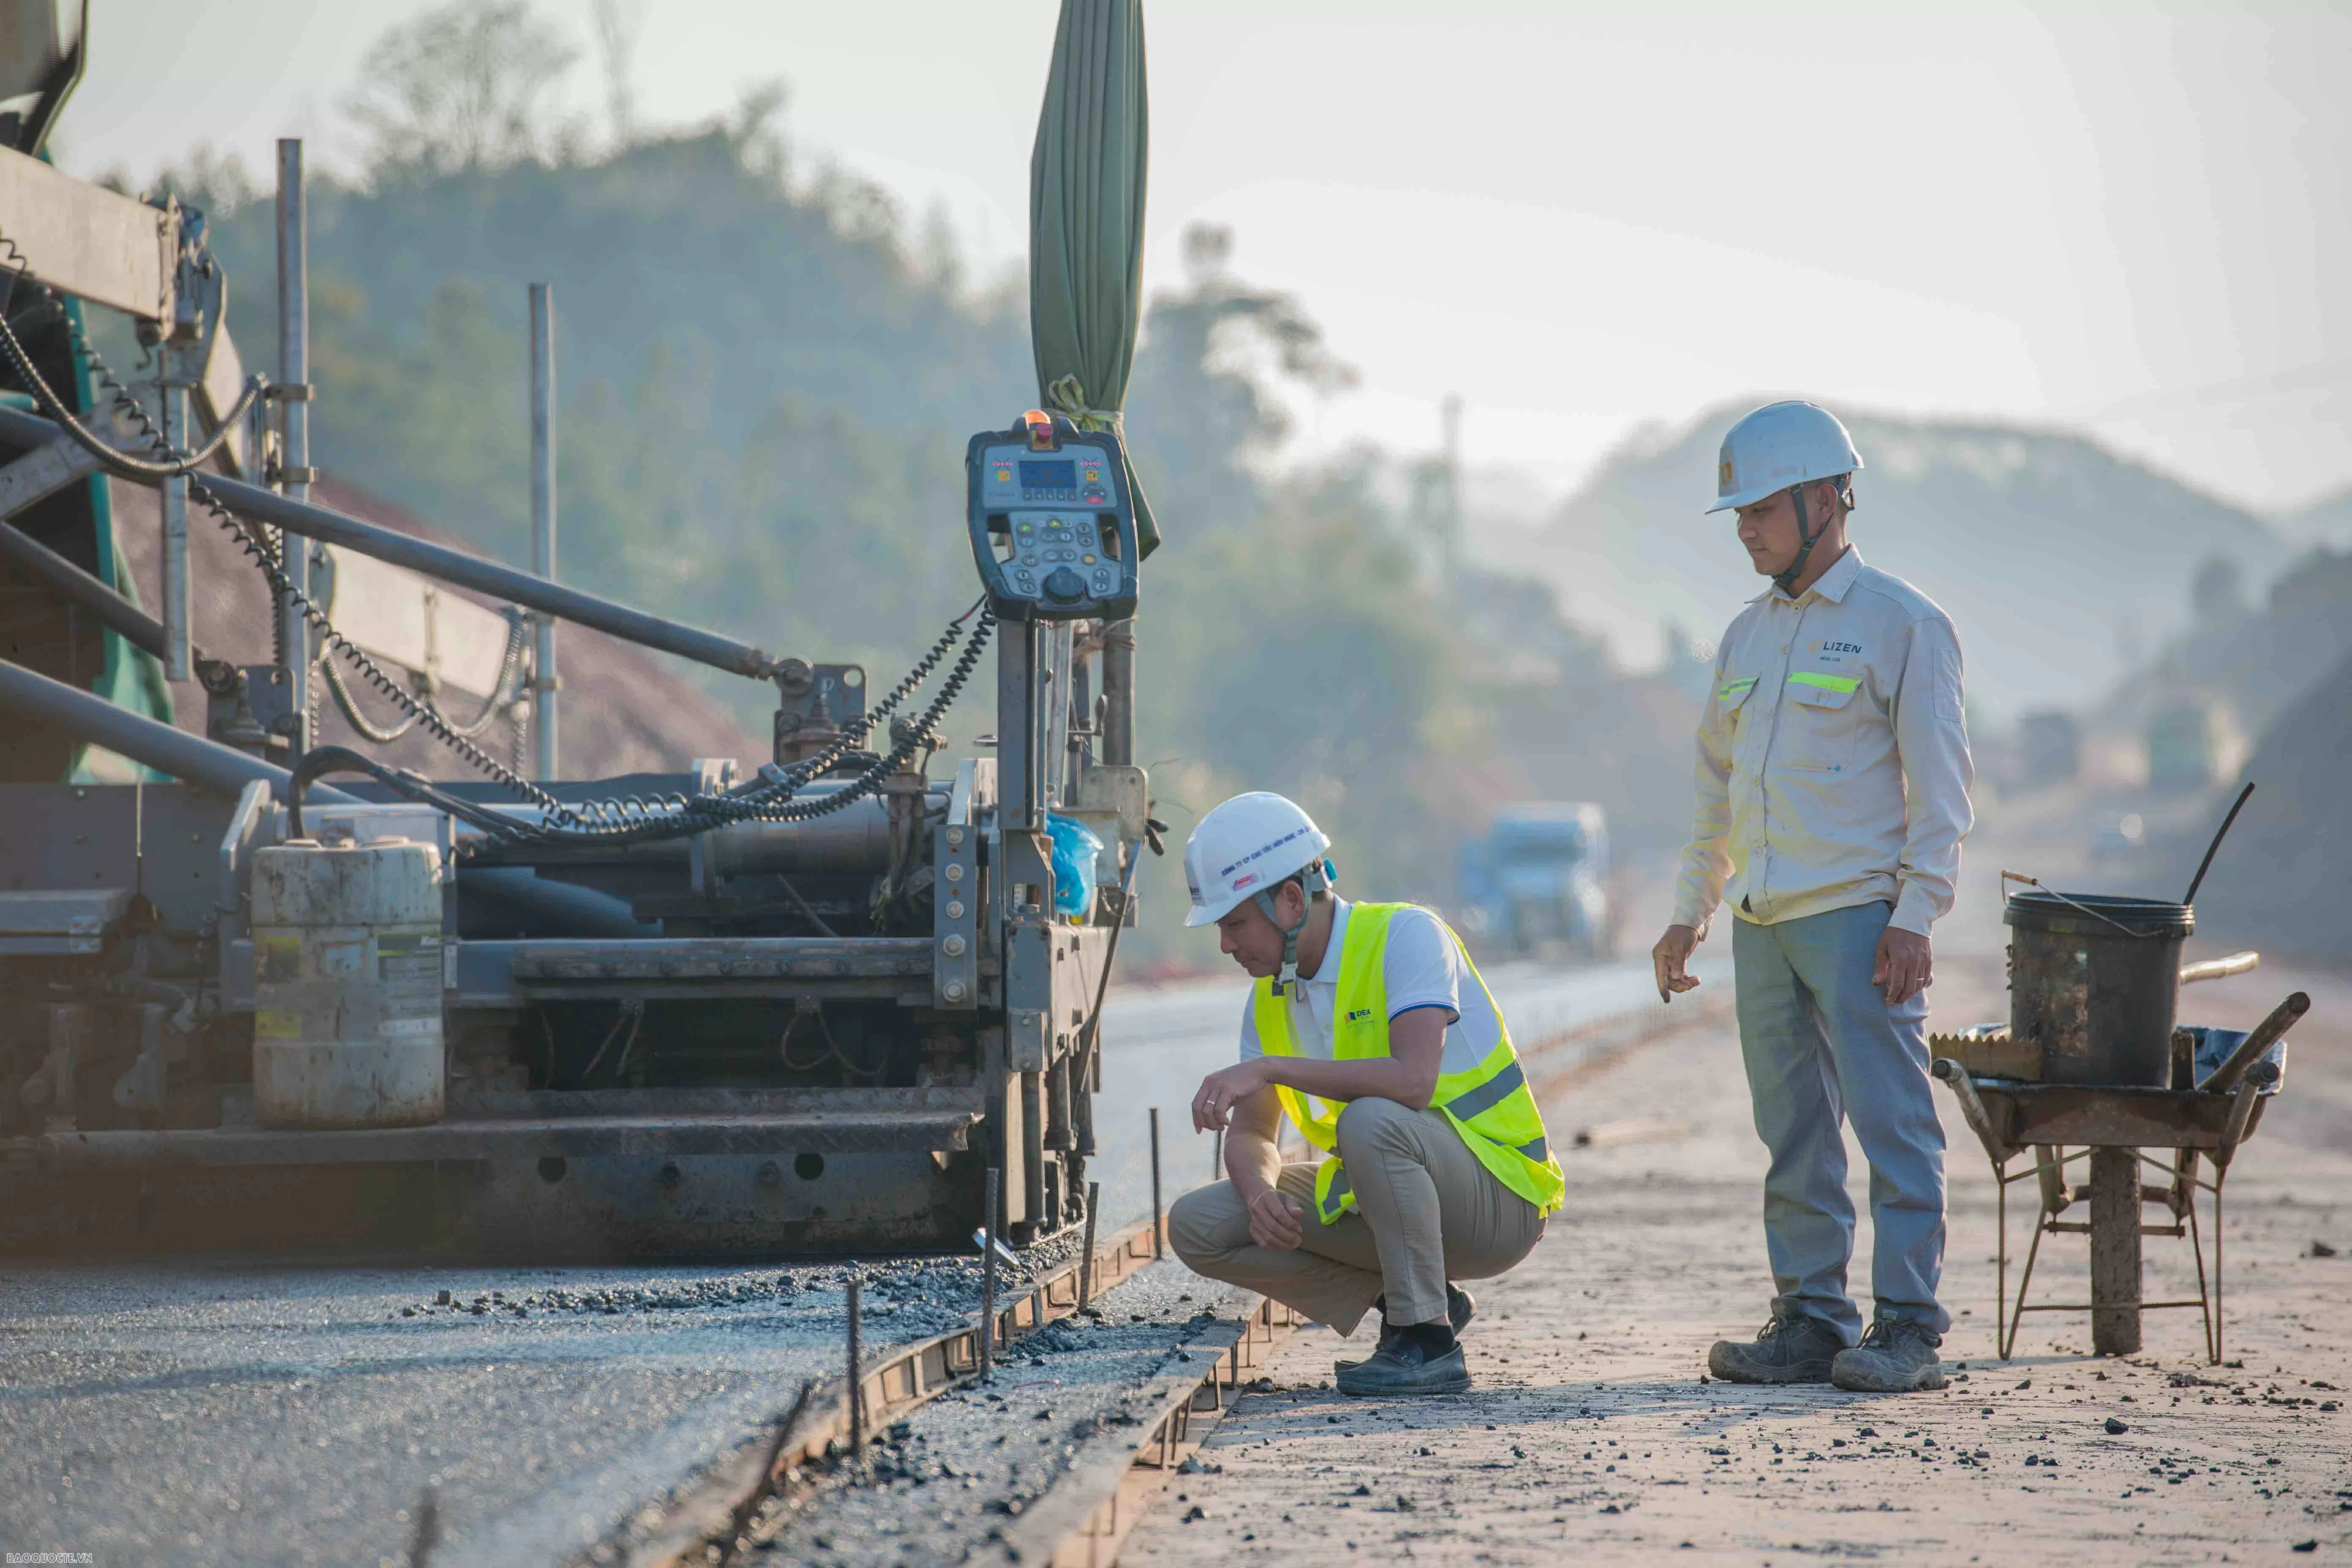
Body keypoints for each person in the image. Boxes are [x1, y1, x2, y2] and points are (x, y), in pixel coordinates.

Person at [1652, 400, 1974, 1394]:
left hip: (1858, 920)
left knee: (1893, 1124)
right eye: (1739, 512)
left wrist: (1915, 914)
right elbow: (1717, 788)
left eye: (1759, 510)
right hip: (1762, 919)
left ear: (1824, 500)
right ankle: (1811, 1319)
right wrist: (1690, 906)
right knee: (1792, 1129)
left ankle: (1910, 1326)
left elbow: (1943, 790)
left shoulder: (1902, 623)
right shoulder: (1746, 639)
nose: (1745, 529)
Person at [1168, 792, 1563, 1396]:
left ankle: (1428, 1344)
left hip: (1499, 1199)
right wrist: (1258, 1196)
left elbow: (1413, 1082)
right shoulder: (1270, 998)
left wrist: (1272, 1068)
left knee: (1372, 1119)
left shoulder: (1407, 936)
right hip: (1396, 1204)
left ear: (1291, 901)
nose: (1226, 944)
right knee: (1198, 1225)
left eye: (1235, 923)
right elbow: (1252, 1134)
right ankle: (1419, 1302)